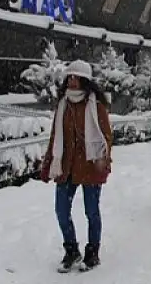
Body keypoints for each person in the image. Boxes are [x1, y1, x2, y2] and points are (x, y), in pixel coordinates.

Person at [40, 60, 112, 273]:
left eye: (76, 77)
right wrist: (47, 163)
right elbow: (55, 136)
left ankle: (93, 252)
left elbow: (106, 136)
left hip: (90, 166)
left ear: (85, 81)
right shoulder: (63, 105)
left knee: (92, 212)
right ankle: (71, 250)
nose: (71, 81)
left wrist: (103, 158)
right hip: (66, 166)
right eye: (69, 77)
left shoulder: (96, 107)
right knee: (61, 210)